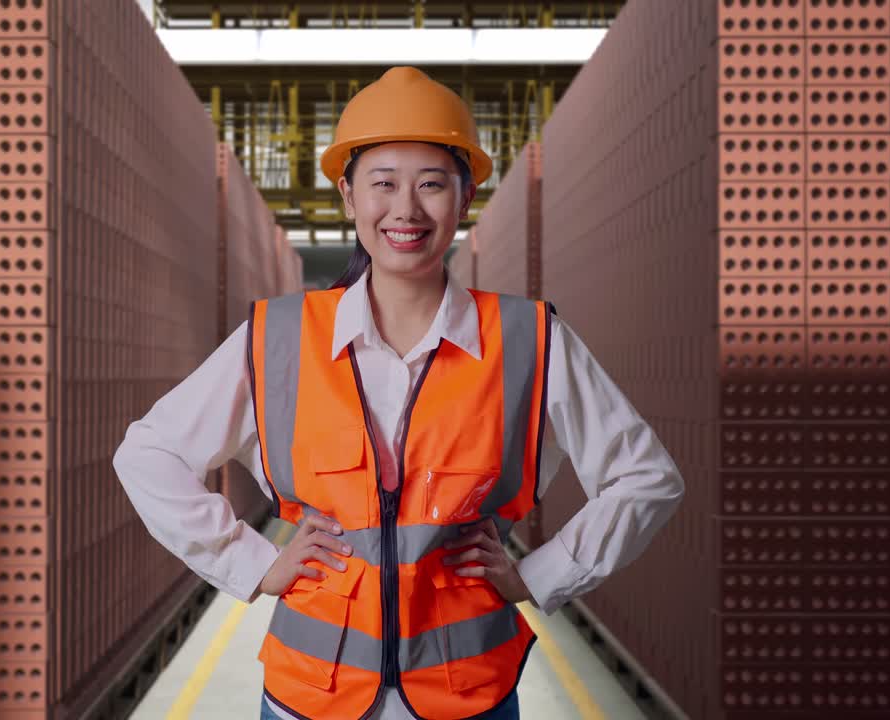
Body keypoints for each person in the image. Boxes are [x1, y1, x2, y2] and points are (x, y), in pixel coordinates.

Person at [112, 66, 685, 720]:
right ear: (349, 197)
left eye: (432, 185)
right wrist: (251, 562)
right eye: (383, 184)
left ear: (465, 196)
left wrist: (542, 574)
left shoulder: (528, 341)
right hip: (310, 699)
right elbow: (148, 453)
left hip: (468, 698)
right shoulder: (279, 340)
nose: (406, 209)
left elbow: (648, 478)